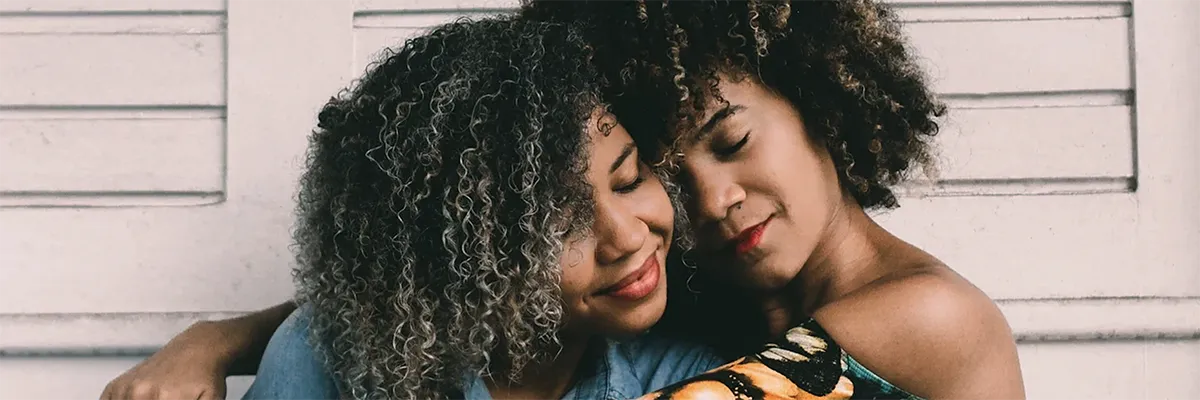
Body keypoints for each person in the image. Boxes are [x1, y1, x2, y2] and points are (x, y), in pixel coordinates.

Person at [103, 1, 1028, 399]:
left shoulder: (926, 317)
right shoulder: (709, 294)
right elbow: (437, 286)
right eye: (662, 171)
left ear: (822, 99)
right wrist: (216, 337)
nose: (711, 201)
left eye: (735, 141)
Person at [106, 17, 727, 400]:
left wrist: (213, 338)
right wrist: (208, 342)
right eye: (559, 222)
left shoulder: (696, 375)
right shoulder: (327, 362)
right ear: (462, 256)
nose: (626, 237)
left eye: (628, 180)